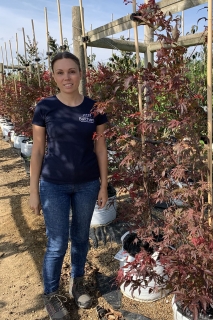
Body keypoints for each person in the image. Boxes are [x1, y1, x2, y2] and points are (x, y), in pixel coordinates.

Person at [29, 51, 108, 320]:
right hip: (53, 185)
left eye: (71, 71)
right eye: (60, 72)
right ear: (53, 76)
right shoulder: (45, 107)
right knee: (56, 242)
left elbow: (101, 149)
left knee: (81, 237)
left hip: (87, 184)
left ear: (80, 73)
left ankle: (77, 282)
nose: (67, 77)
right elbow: (38, 151)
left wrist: (104, 185)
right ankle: (51, 295)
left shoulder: (94, 108)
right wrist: (33, 192)